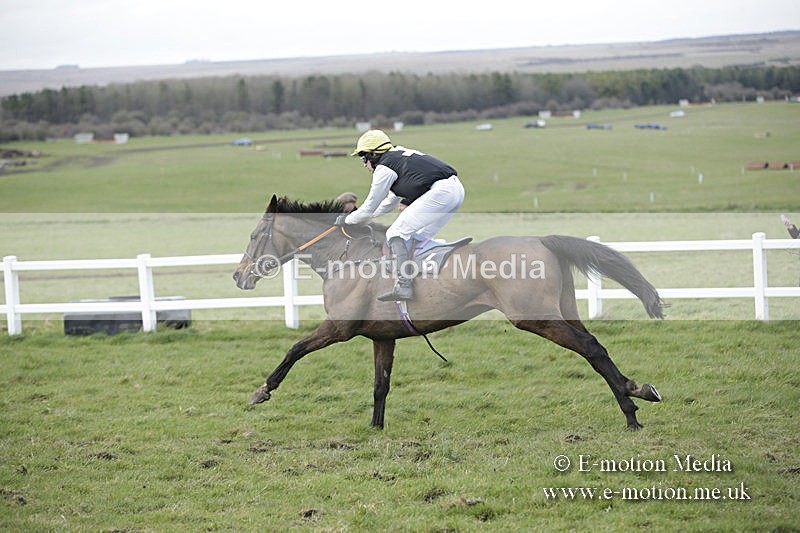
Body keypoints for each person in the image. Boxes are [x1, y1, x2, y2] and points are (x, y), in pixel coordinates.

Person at [340, 129, 465, 301]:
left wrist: (347, 220)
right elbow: (389, 202)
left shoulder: (384, 168)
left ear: (374, 155)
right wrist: (362, 218)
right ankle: (426, 279)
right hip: (455, 189)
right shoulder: (397, 157)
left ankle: (404, 286)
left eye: (364, 158)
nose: (364, 164)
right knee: (418, 237)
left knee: (395, 233)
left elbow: (370, 206)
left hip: (441, 192)